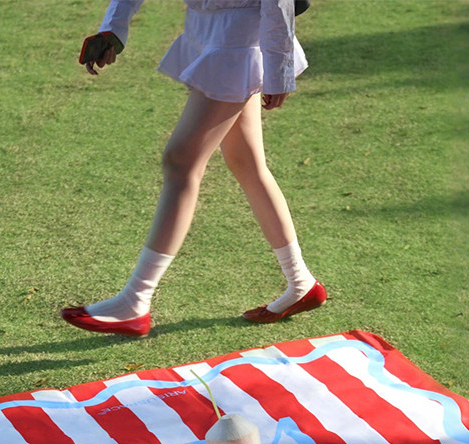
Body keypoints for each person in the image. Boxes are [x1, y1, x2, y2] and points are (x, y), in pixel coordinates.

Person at [61, 0, 326, 337]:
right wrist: (112, 28)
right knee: (246, 162)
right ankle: (301, 282)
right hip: (207, 30)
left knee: (181, 161)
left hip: (239, 39)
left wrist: (279, 69)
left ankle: (135, 301)